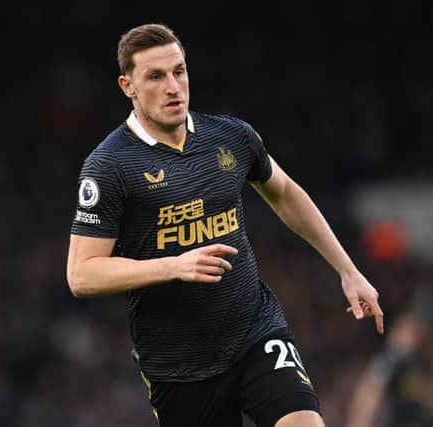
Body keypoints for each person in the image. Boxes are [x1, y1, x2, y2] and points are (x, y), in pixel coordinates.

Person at [66, 23, 384, 427]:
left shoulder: (230, 136)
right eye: (156, 76)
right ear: (127, 85)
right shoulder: (109, 167)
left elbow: (284, 193)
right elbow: (82, 274)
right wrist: (174, 266)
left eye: (179, 71)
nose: (172, 87)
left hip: (254, 331)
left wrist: (348, 270)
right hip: (178, 367)